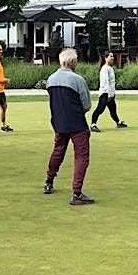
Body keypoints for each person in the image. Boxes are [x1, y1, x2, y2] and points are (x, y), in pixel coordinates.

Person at [43, 48, 95, 205]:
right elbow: (86, 105)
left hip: (59, 122)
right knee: (81, 156)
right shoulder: (78, 80)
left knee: (58, 151)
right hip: (77, 123)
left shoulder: (51, 79)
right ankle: (77, 192)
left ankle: (49, 182)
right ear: (73, 62)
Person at [90, 51, 128, 132]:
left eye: (112, 56)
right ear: (106, 58)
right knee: (100, 109)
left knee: (113, 109)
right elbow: (106, 82)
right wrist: (109, 94)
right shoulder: (104, 69)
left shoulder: (110, 68)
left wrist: (112, 94)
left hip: (110, 93)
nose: (112, 58)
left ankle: (118, 122)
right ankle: (93, 125)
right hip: (105, 93)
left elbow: (112, 83)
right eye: (111, 56)